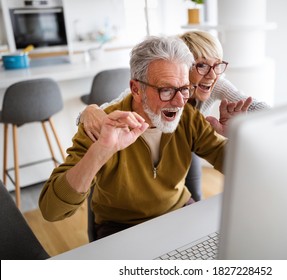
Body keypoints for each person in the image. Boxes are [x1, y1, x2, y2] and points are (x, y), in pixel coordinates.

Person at [39, 35, 241, 240]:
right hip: (122, 228)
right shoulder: (103, 126)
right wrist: (101, 151)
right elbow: (51, 210)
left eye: (184, 89)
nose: (180, 101)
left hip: (179, 210)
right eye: (167, 90)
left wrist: (238, 135)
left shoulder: (188, 117)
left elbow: (231, 162)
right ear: (136, 89)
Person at [78, 30, 270, 201]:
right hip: (149, 147)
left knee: (192, 195)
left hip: (187, 142)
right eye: (202, 65)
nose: (212, 75)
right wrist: (89, 110)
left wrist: (248, 128)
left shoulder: (215, 84)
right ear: (183, 66)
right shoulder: (144, 94)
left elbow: (257, 107)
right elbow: (95, 116)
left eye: (217, 65)